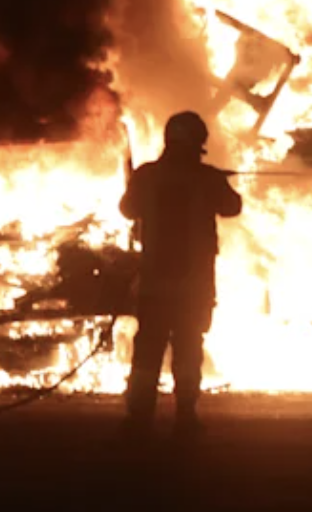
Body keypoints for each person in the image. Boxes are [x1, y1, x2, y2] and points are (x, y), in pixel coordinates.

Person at [118, 111, 243, 438]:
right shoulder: (207, 178)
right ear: (198, 143)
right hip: (194, 284)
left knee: (147, 350)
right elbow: (232, 206)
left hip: (155, 281)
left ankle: (138, 419)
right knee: (188, 348)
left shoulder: (147, 176)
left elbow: (127, 209)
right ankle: (185, 417)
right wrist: (217, 180)